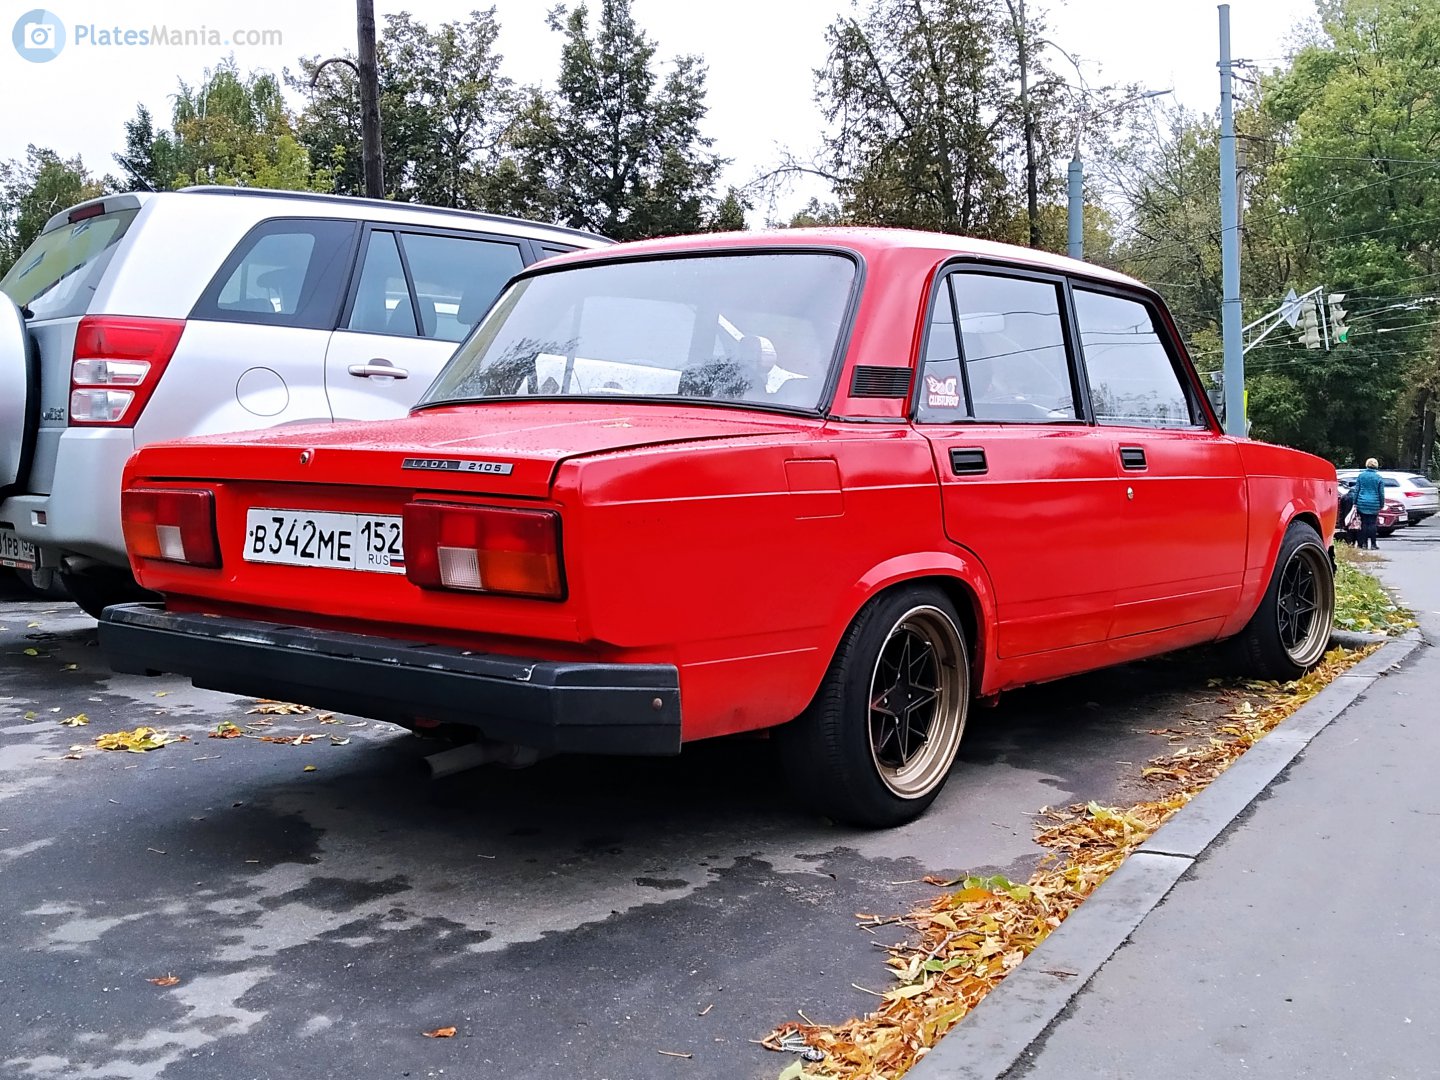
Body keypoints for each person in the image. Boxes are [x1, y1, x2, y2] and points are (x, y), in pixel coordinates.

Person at [1353, 457, 1386, 550]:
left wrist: (1354, 502)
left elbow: (1357, 490)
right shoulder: (1379, 478)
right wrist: (1381, 504)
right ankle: (1373, 544)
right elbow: (1381, 493)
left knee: (1363, 523)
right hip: (1374, 504)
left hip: (1362, 502)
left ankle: (1363, 544)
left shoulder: (1361, 476)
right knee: (1372, 524)